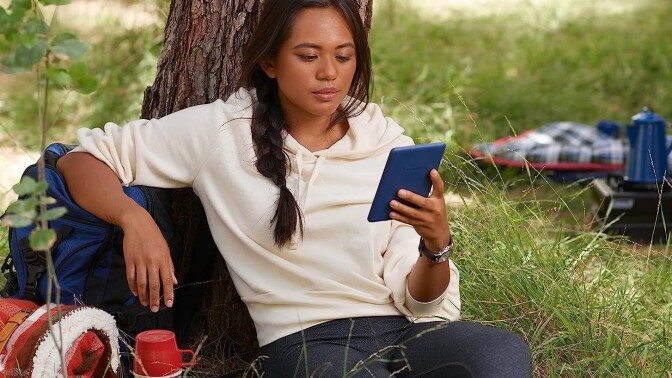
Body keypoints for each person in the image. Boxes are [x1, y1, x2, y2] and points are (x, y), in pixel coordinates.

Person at [57, 0, 532, 376]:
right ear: (269, 60)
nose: (329, 73)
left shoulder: (385, 141)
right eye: (309, 56)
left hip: (405, 331)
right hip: (307, 343)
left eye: (343, 57)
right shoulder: (222, 131)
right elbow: (82, 160)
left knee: (499, 353)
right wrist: (132, 217)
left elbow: (419, 300)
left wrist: (436, 246)